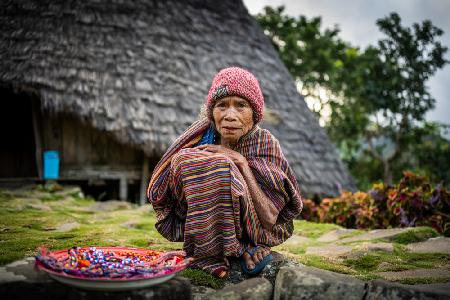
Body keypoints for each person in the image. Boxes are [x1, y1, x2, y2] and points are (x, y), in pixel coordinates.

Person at [147, 67, 303, 278]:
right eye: (222, 106)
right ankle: (209, 247)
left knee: (222, 166)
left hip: (256, 225)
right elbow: (165, 187)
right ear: (212, 112)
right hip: (198, 219)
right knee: (187, 159)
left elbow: (269, 218)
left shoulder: (265, 143)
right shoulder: (201, 136)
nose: (230, 115)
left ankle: (240, 246)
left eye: (241, 106)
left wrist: (239, 162)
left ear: (254, 114)